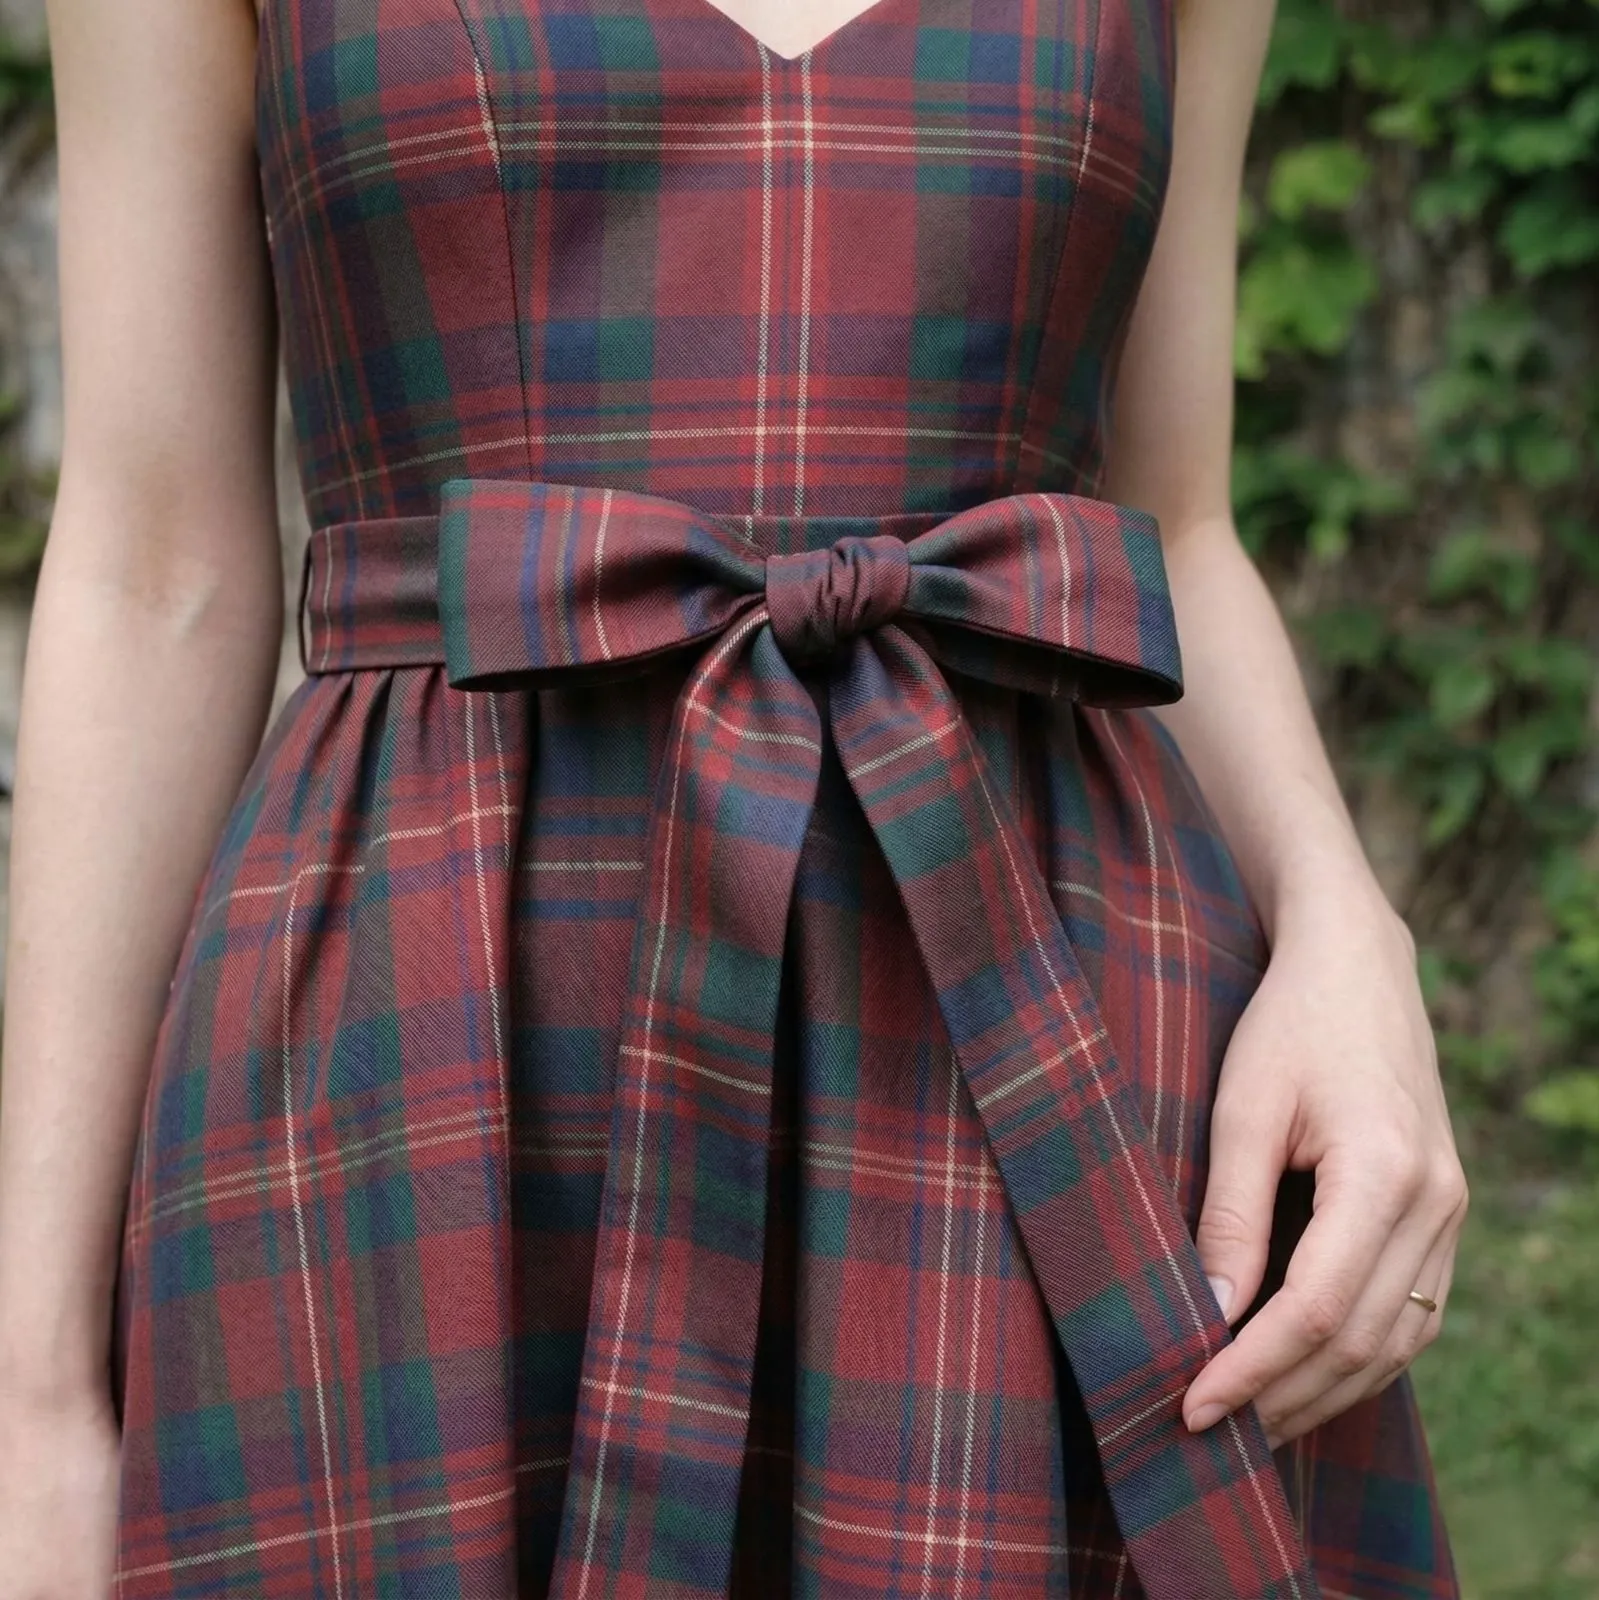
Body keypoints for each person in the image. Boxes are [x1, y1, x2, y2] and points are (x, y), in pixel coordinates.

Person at [0, 0, 1468, 1593]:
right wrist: (36, 1399)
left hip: (1041, 1039)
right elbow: (158, 563)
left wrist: (1345, 927)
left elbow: (1172, 518)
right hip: (429, 1040)